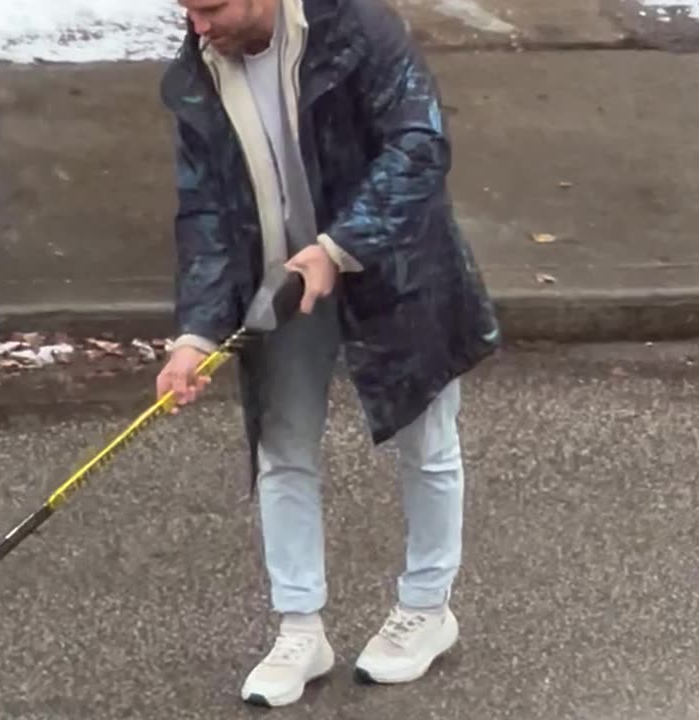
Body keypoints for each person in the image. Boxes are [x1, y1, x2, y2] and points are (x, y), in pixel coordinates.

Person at [155, 0, 502, 708]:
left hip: (393, 262)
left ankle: (428, 609)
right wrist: (195, 333)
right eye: (186, 10)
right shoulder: (197, 75)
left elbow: (419, 147)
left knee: (426, 442)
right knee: (281, 449)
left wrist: (339, 248)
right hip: (278, 284)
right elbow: (207, 215)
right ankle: (299, 627)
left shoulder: (358, 27)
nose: (198, 27)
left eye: (211, 7)